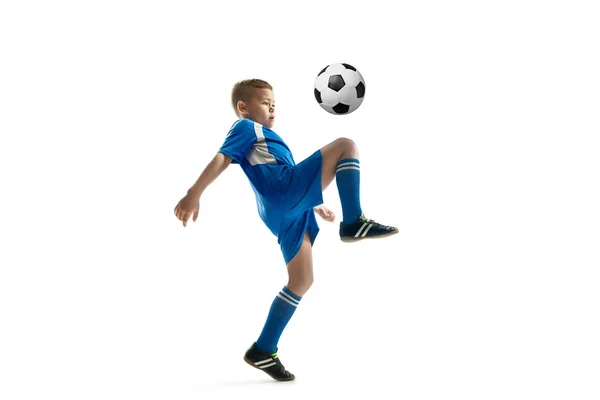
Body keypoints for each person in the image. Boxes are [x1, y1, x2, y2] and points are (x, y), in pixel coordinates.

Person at [173, 78, 398, 381]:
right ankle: (354, 220)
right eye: (265, 103)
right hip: (283, 192)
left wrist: (315, 205)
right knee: (346, 146)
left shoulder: (266, 138)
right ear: (243, 107)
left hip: (284, 210)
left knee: (302, 280)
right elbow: (222, 158)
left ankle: (263, 349)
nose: (272, 109)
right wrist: (194, 191)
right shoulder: (245, 127)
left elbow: (275, 169)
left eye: (274, 104)